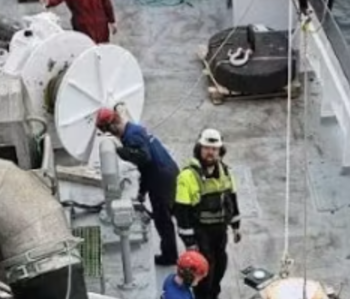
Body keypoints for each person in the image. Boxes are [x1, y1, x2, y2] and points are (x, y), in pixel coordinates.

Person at [95, 107, 179, 265]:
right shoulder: (135, 129)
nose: (110, 134)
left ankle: (170, 256)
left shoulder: (130, 136)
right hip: (166, 173)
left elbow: (144, 158)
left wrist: (120, 151)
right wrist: (142, 192)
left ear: (113, 126)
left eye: (108, 131)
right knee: (171, 213)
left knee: (163, 220)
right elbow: (146, 168)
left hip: (161, 179)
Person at [174, 128, 242, 299]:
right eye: (206, 148)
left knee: (220, 266)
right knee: (204, 273)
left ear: (220, 151)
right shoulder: (187, 176)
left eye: (214, 149)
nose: (210, 152)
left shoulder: (225, 172)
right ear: (199, 149)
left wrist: (236, 226)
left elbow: (232, 199)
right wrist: (190, 243)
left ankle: (214, 295)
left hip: (220, 231)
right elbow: (181, 213)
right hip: (200, 233)